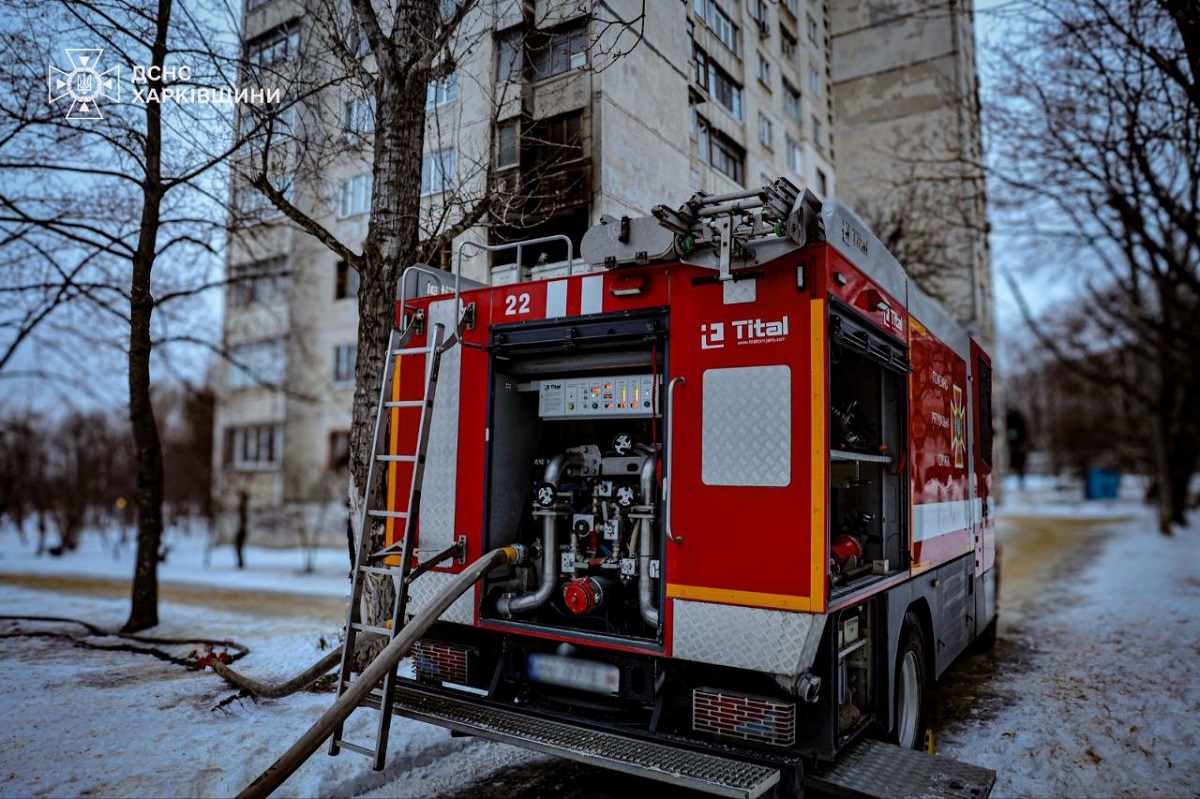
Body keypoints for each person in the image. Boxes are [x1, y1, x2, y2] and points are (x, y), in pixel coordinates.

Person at [1006, 409, 1029, 487]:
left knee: (1018, 463)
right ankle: (1020, 478)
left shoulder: (1010, 419)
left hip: (1016, 446)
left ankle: (1019, 478)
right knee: (1019, 464)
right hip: (1018, 445)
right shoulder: (1019, 420)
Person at [235, 489, 249, 569]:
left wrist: (241, 527)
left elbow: (243, 520)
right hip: (241, 529)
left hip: (242, 530)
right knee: (238, 547)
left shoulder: (243, 507)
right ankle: (240, 563)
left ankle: (240, 564)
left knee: (238, 547)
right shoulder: (242, 507)